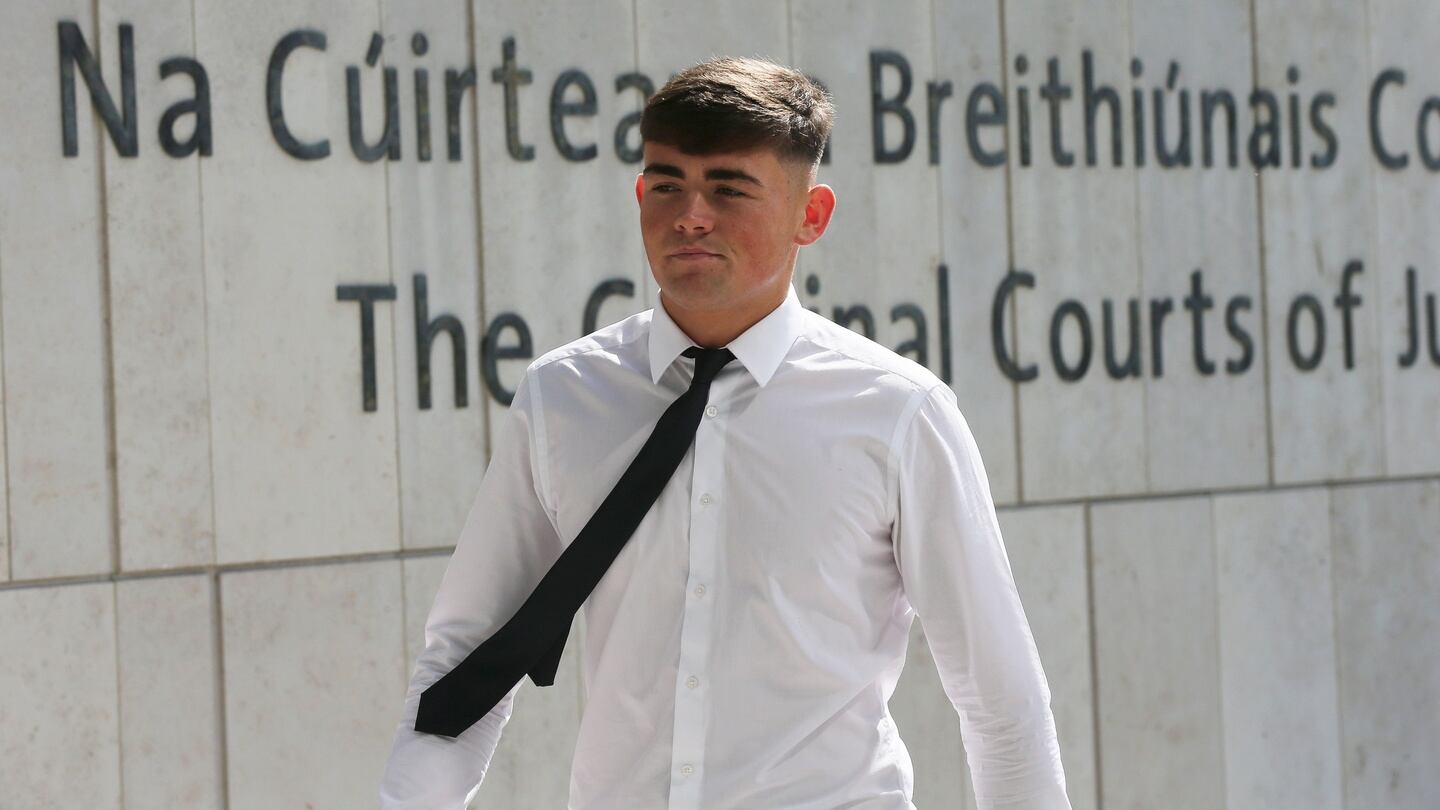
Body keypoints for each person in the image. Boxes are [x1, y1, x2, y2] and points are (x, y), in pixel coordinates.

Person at [379, 56, 1070, 809]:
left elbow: (1002, 705)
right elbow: (465, 667)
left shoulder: (898, 412)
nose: (691, 216)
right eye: (667, 185)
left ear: (811, 215)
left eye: (729, 188)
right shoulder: (564, 397)